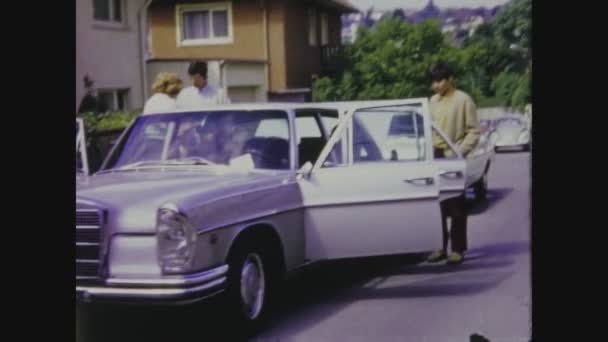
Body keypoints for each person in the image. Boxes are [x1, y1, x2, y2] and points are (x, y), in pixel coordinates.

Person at [426, 61, 480, 265]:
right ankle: (439, 247)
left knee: (456, 206)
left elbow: (474, 131)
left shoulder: (463, 99)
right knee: (436, 205)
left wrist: (460, 151)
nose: (436, 85)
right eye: (433, 82)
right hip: (434, 156)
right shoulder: (432, 101)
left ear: (450, 79)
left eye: (439, 81)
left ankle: (457, 249)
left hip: (453, 155)